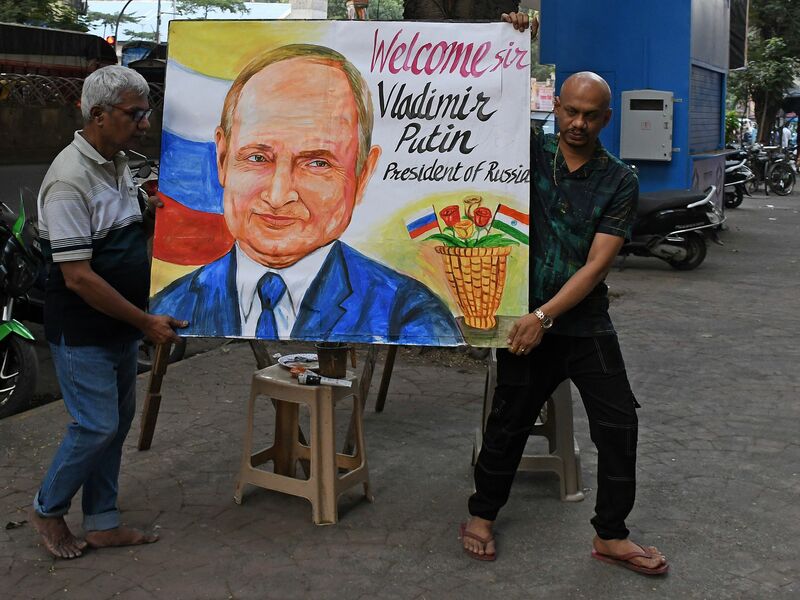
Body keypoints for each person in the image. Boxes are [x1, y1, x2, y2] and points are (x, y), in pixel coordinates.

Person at [459, 12, 669, 576]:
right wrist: (513, 42)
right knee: (508, 419)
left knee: (620, 422)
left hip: (578, 324)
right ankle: (482, 514)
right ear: (555, 108)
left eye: (589, 115)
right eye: (569, 111)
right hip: (523, 317)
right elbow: (484, 100)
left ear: (605, 118)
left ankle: (610, 535)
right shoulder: (523, 157)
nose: (577, 122)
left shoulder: (619, 179)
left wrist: (543, 317)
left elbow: (598, 264)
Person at [150, 44, 462, 345]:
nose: (278, 195)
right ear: (222, 158)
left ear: (362, 174)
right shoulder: (172, 305)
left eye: (317, 163)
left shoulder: (407, 316)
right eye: (258, 158)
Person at [31, 66, 187, 559]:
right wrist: (144, 323)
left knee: (116, 423)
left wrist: (151, 215)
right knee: (95, 425)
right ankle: (47, 508)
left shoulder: (116, 163)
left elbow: (117, 241)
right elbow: (77, 276)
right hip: (84, 331)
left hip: (118, 324)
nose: (144, 124)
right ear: (98, 115)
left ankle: (101, 522)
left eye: (146, 113)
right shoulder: (68, 180)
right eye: (134, 114)